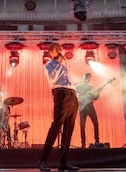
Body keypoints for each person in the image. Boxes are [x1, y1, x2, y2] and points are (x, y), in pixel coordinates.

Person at [39, 43, 79, 172]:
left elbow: (67, 81)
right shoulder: (49, 65)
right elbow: (53, 79)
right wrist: (58, 63)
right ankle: (43, 160)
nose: (60, 51)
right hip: (61, 94)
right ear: (51, 52)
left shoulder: (63, 65)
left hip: (72, 95)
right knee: (56, 127)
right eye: (57, 49)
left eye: (60, 49)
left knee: (69, 130)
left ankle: (63, 162)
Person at [76, 73, 100, 149]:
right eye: (87, 77)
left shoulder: (91, 87)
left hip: (90, 106)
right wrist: (78, 101)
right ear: (84, 77)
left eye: (89, 78)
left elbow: (95, 98)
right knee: (82, 126)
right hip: (82, 107)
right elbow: (75, 95)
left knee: (95, 123)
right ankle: (83, 143)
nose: (88, 79)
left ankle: (97, 141)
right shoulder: (78, 86)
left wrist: (97, 93)